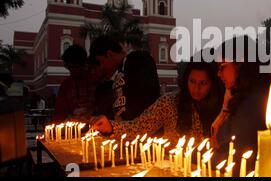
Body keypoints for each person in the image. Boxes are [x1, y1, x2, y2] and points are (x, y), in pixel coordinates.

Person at [210, 36, 271, 173]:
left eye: (222, 67)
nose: (218, 74)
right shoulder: (250, 97)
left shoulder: (254, 105)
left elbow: (235, 158)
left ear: (241, 64)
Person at [92, 61, 224, 145]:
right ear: (185, 80)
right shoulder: (170, 102)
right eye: (192, 81)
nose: (196, 88)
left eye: (203, 83)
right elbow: (139, 127)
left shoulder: (222, 107)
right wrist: (111, 126)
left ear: (212, 84)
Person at [88, 36, 160, 121]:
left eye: (100, 62)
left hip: (143, 129)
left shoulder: (138, 60)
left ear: (109, 54)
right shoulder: (113, 77)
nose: (101, 68)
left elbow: (146, 98)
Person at [53, 44, 94, 122]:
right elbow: (59, 113)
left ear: (84, 64)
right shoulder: (66, 85)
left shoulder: (96, 80)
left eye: (74, 67)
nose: (71, 71)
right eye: (69, 68)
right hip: (74, 129)